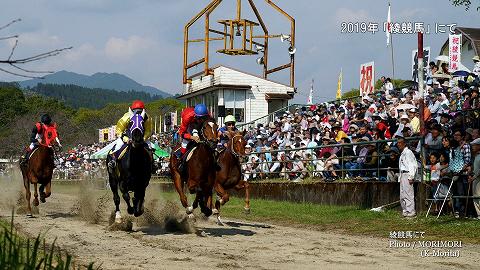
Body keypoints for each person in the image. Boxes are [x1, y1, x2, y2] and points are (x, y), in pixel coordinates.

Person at [108, 100, 152, 169]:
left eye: (140, 111)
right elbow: (119, 130)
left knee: (150, 147)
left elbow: (148, 131)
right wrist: (126, 139)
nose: (138, 113)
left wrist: (143, 138)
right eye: (136, 111)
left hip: (141, 138)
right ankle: (113, 161)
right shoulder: (126, 117)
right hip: (127, 137)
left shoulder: (147, 118)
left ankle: (152, 164)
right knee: (118, 146)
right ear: (132, 111)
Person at [176, 104, 211, 170]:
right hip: (190, 124)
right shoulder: (187, 118)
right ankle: (181, 162)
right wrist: (192, 137)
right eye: (200, 118)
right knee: (185, 143)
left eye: (203, 118)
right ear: (195, 116)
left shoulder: (207, 115)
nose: (201, 120)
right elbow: (182, 133)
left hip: (199, 125)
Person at [397, 136, 418, 218]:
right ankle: (405, 210)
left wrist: (411, 176)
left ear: (404, 143)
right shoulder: (402, 153)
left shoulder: (408, 152)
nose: (398, 144)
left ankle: (411, 211)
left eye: (400, 143)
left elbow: (412, 165)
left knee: (408, 194)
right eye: (397, 143)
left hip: (407, 174)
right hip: (402, 174)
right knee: (402, 194)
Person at [469, 138, 480, 218]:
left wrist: (474, 177)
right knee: (475, 197)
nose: (473, 147)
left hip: (478, 179)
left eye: (474, 145)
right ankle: (479, 214)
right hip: (475, 179)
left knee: (479, 196)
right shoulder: (475, 156)